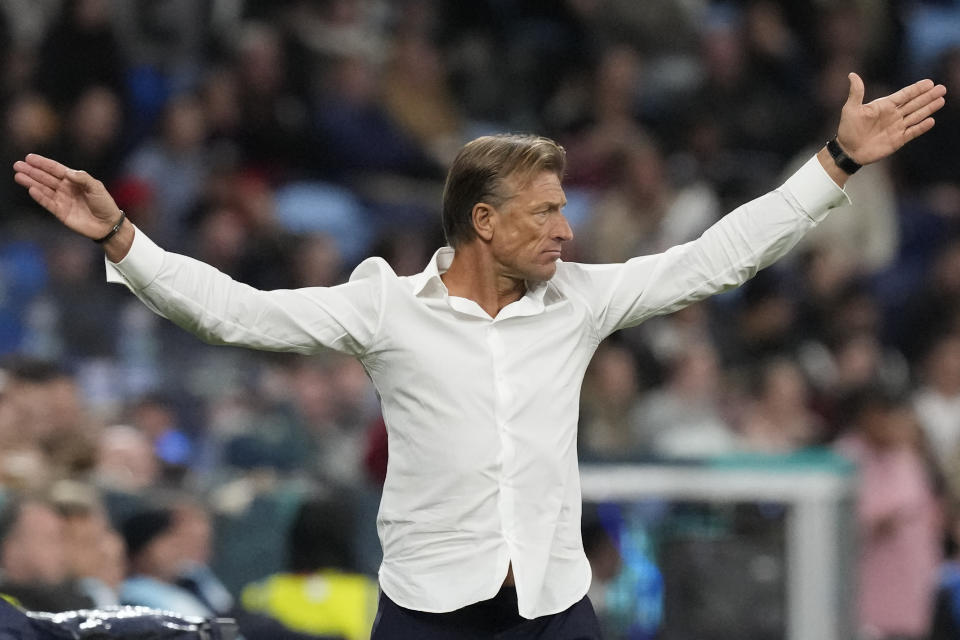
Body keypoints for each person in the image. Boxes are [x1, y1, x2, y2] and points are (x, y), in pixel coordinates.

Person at [12, 73, 946, 639]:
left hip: (552, 608)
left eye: (565, 207)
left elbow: (715, 257)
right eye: (545, 212)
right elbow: (237, 315)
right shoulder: (386, 307)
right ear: (483, 222)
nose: (566, 230)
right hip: (426, 616)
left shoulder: (579, 302)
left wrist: (835, 163)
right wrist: (124, 237)